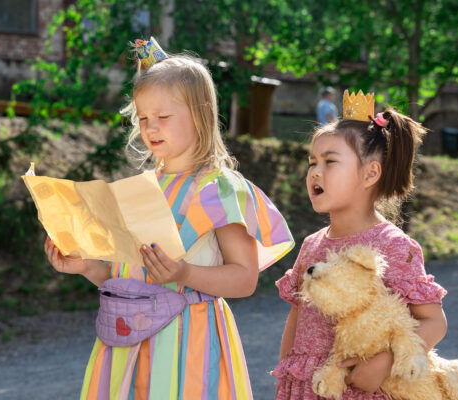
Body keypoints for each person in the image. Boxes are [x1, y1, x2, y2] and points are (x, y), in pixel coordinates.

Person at [44, 38, 294, 400]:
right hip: (127, 345)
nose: (150, 127)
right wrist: (85, 266)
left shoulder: (219, 189)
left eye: (162, 117)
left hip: (188, 346)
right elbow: (125, 276)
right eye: (143, 117)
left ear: (201, 113)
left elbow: (245, 279)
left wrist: (185, 274)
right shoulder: (141, 190)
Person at [271, 97, 448, 399]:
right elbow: (296, 318)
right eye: (312, 162)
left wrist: (386, 361)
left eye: (329, 161)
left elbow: (434, 321)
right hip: (308, 388)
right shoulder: (313, 244)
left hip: (362, 389)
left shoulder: (392, 245)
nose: (315, 171)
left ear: (370, 173)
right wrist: (285, 378)